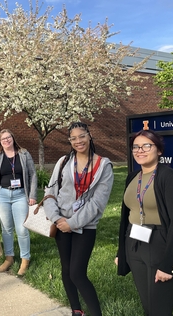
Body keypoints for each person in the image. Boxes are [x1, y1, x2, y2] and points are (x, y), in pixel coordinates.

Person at [115, 129, 173, 316]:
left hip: (158, 244)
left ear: (159, 150)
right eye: (135, 147)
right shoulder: (132, 177)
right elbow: (126, 218)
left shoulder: (169, 178)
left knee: (160, 309)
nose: (139, 150)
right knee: (148, 306)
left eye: (146, 146)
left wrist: (168, 264)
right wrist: (122, 251)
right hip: (133, 242)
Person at [43, 122, 113, 316]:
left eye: (81, 136)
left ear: (89, 136)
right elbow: (50, 191)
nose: (78, 141)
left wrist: (71, 223)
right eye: (73, 138)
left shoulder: (103, 165)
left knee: (77, 273)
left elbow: (98, 203)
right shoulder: (64, 162)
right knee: (66, 270)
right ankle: (76, 310)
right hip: (60, 222)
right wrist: (57, 219)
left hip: (85, 226)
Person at [0, 129, 37, 275]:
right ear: (0, 142)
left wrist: (32, 195)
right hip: (2, 195)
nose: (6, 140)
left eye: (8, 137)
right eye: (3, 139)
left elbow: (32, 174)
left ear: (13, 138)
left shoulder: (24, 154)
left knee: (22, 229)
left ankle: (25, 259)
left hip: (20, 195)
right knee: (6, 229)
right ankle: (9, 258)